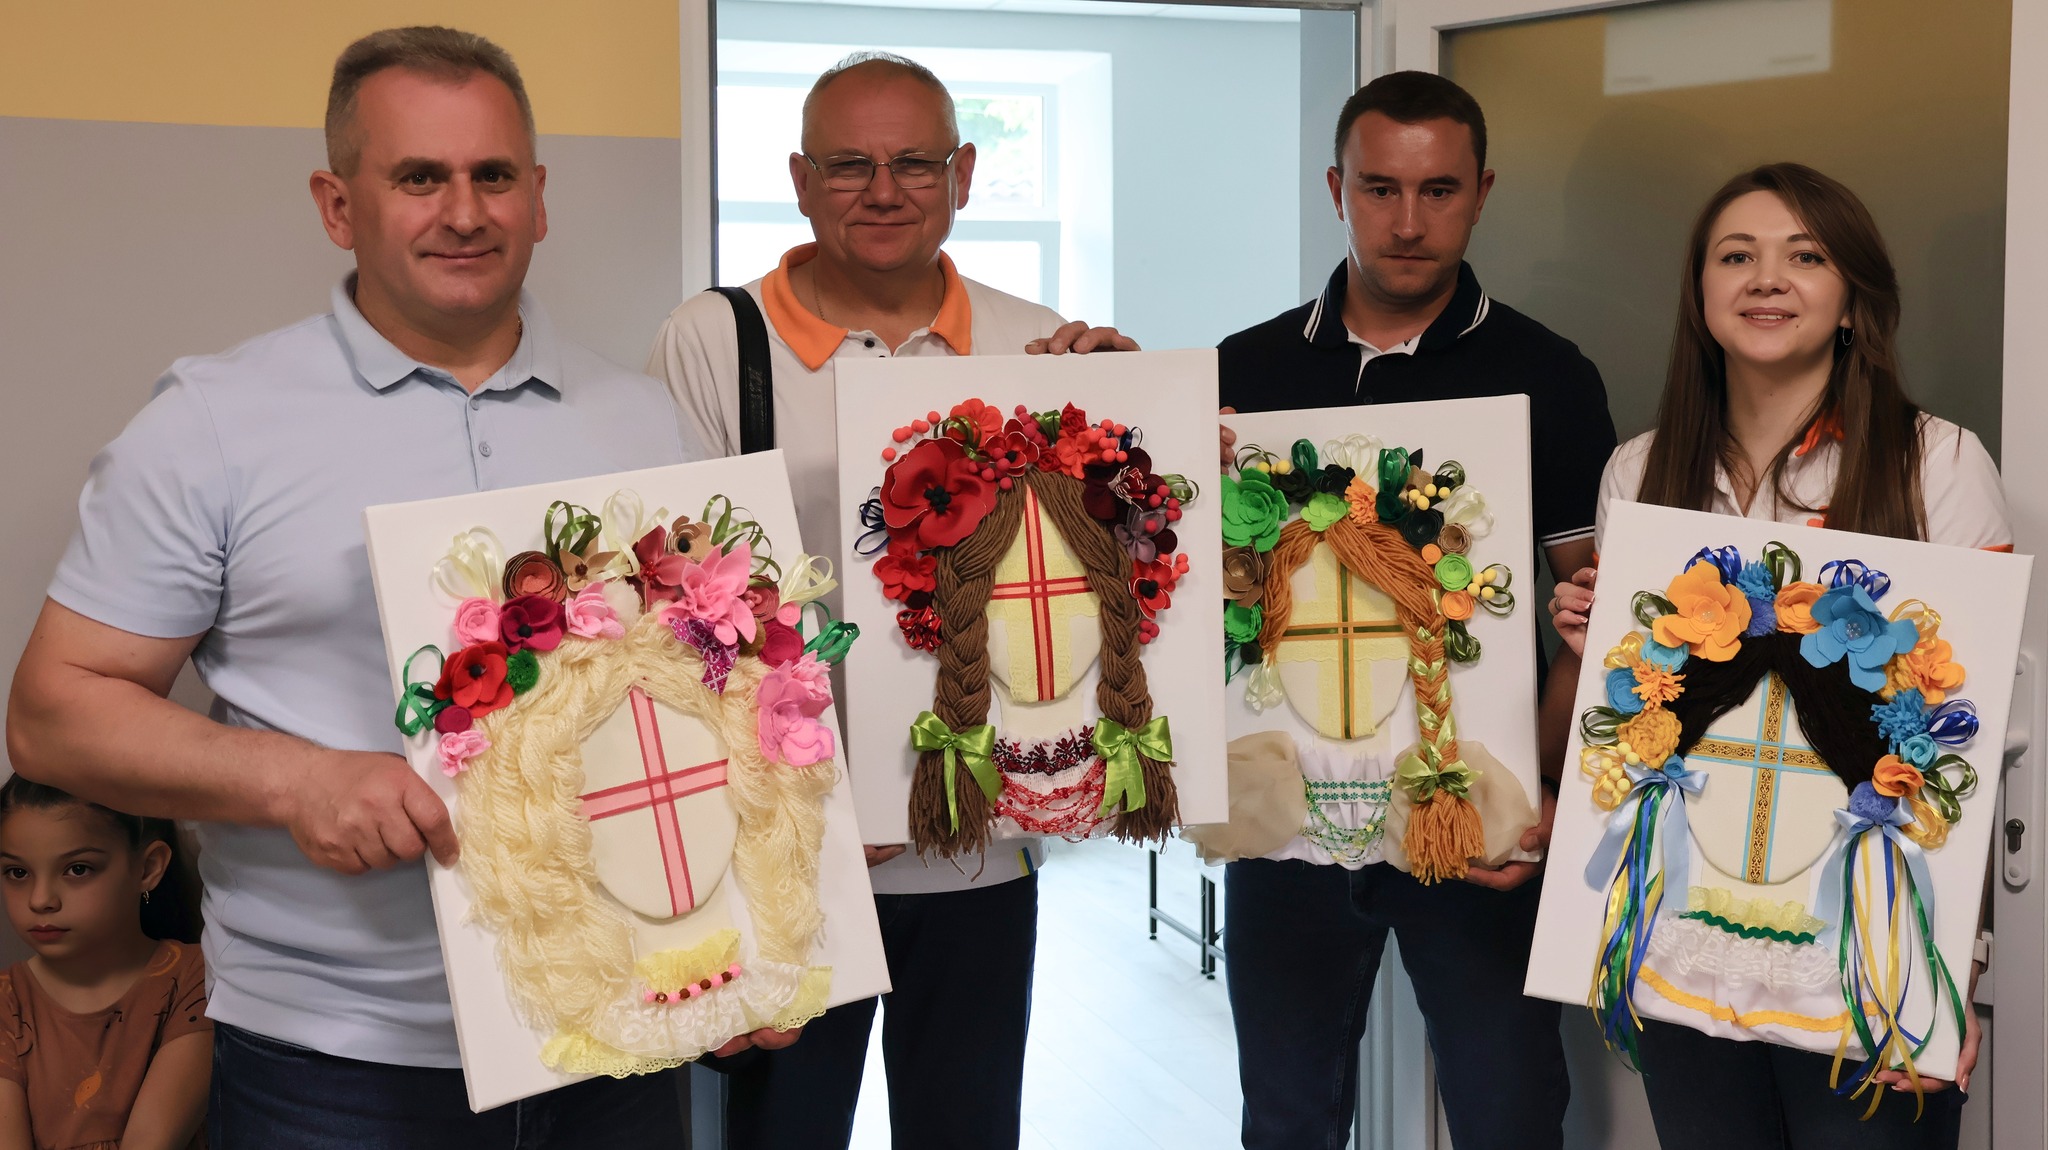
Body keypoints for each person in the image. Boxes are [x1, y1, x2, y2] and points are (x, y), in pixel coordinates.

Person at [2, 26, 749, 1147]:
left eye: (494, 175)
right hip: (335, 1060)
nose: (465, 212)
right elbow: (51, 715)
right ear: (337, 204)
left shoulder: (646, 423)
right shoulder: (213, 422)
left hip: (619, 1027)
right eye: (419, 177)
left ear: (540, 198)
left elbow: (712, 697)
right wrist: (296, 780)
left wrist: (752, 940)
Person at [646, 51, 1133, 1150]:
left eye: (914, 162)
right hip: (789, 847)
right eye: (848, 165)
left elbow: (1094, 579)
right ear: (800, 180)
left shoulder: (1032, 339)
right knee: (780, 1132)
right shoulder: (715, 340)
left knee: (966, 1127)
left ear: (962, 175)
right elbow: (676, 606)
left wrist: (1134, 426)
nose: (882, 190)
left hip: (978, 841)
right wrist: (802, 806)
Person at [1550, 162, 2007, 1150]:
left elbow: (1971, 747)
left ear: (1852, 297)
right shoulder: (1638, 470)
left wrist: (1952, 971)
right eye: (1736, 256)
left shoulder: (1937, 461)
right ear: (1699, 292)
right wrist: (1597, 652)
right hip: (1687, 938)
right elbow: (1633, 726)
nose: (1766, 278)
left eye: (1804, 256)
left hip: (1869, 952)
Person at [1214, 70, 1616, 1150]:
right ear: (1334, 189)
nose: (1405, 221)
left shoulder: (1548, 374)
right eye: (1378, 188)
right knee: (1286, 1115)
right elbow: (1190, 591)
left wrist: (1541, 782)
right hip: (1287, 813)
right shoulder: (1242, 370)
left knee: (1507, 1107)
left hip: (1472, 803)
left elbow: (1590, 612)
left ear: (1480, 192)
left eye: (1437, 190)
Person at [0, 777, 208, 1150]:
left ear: (147, 868)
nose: (40, 899)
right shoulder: (6, 1002)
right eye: (17, 872)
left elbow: (151, 1142)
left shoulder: (195, 978)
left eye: (78, 869)